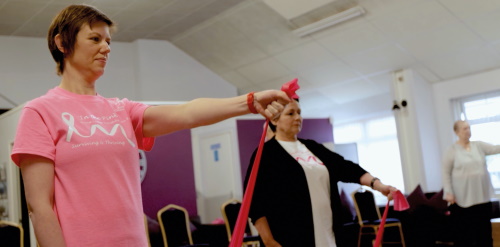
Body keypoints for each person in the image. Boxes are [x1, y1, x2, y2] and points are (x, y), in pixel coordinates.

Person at [10, 4, 290, 247]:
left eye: (108, 41)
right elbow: (39, 208)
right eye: (95, 38)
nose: (106, 47)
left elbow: (188, 113)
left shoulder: (122, 110)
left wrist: (250, 102)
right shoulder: (40, 112)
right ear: (62, 44)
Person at [244, 99, 397, 247]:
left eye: (299, 112)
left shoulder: (313, 147)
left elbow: (347, 168)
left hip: (328, 233)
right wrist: (269, 241)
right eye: (291, 113)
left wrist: (378, 185)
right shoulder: (266, 154)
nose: (298, 117)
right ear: (275, 120)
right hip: (290, 238)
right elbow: (254, 202)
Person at [442, 120, 500, 247]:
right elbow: (445, 173)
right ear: (456, 132)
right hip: (463, 199)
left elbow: (496, 148)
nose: (468, 131)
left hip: (481, 197)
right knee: (466, 235)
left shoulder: (478, 146)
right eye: (464, 129)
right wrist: (448, 192)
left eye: (469, 128)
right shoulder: (451, 150)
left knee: (484, 234)